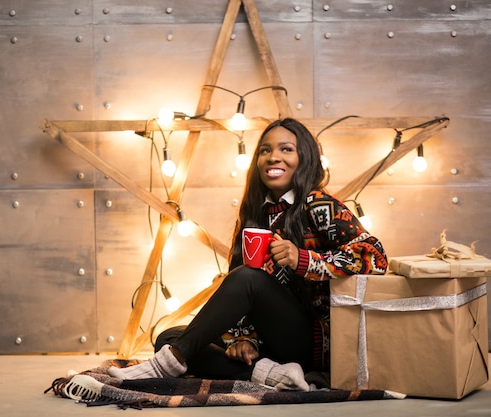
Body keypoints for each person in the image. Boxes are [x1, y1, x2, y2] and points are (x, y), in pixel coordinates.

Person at [108, 118, 388, 390]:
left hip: (314, 341)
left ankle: (164, 366)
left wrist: (304, 260)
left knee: (247, 279)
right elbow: (237, 287)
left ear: (305, 158)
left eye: (286, 149)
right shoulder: (255, 213)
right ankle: (273, 375)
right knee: (169, 337)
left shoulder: (317, 204)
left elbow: (375, 256)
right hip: (269, 343)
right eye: (265, 150)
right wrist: (243, 339)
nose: (273, 157)